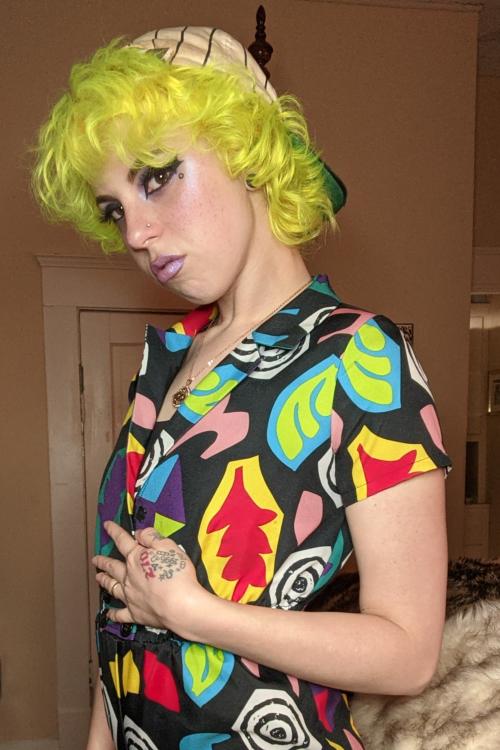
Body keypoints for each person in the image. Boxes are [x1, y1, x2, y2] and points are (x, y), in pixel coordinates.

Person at [32, 26, 451, 750]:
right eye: (114, 209)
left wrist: (195, 614)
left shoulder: (358, 355)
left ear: (249, 152)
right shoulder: (163, 366)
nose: (135, 234)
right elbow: (123, 617)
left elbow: (408, 655)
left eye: (157, 175)